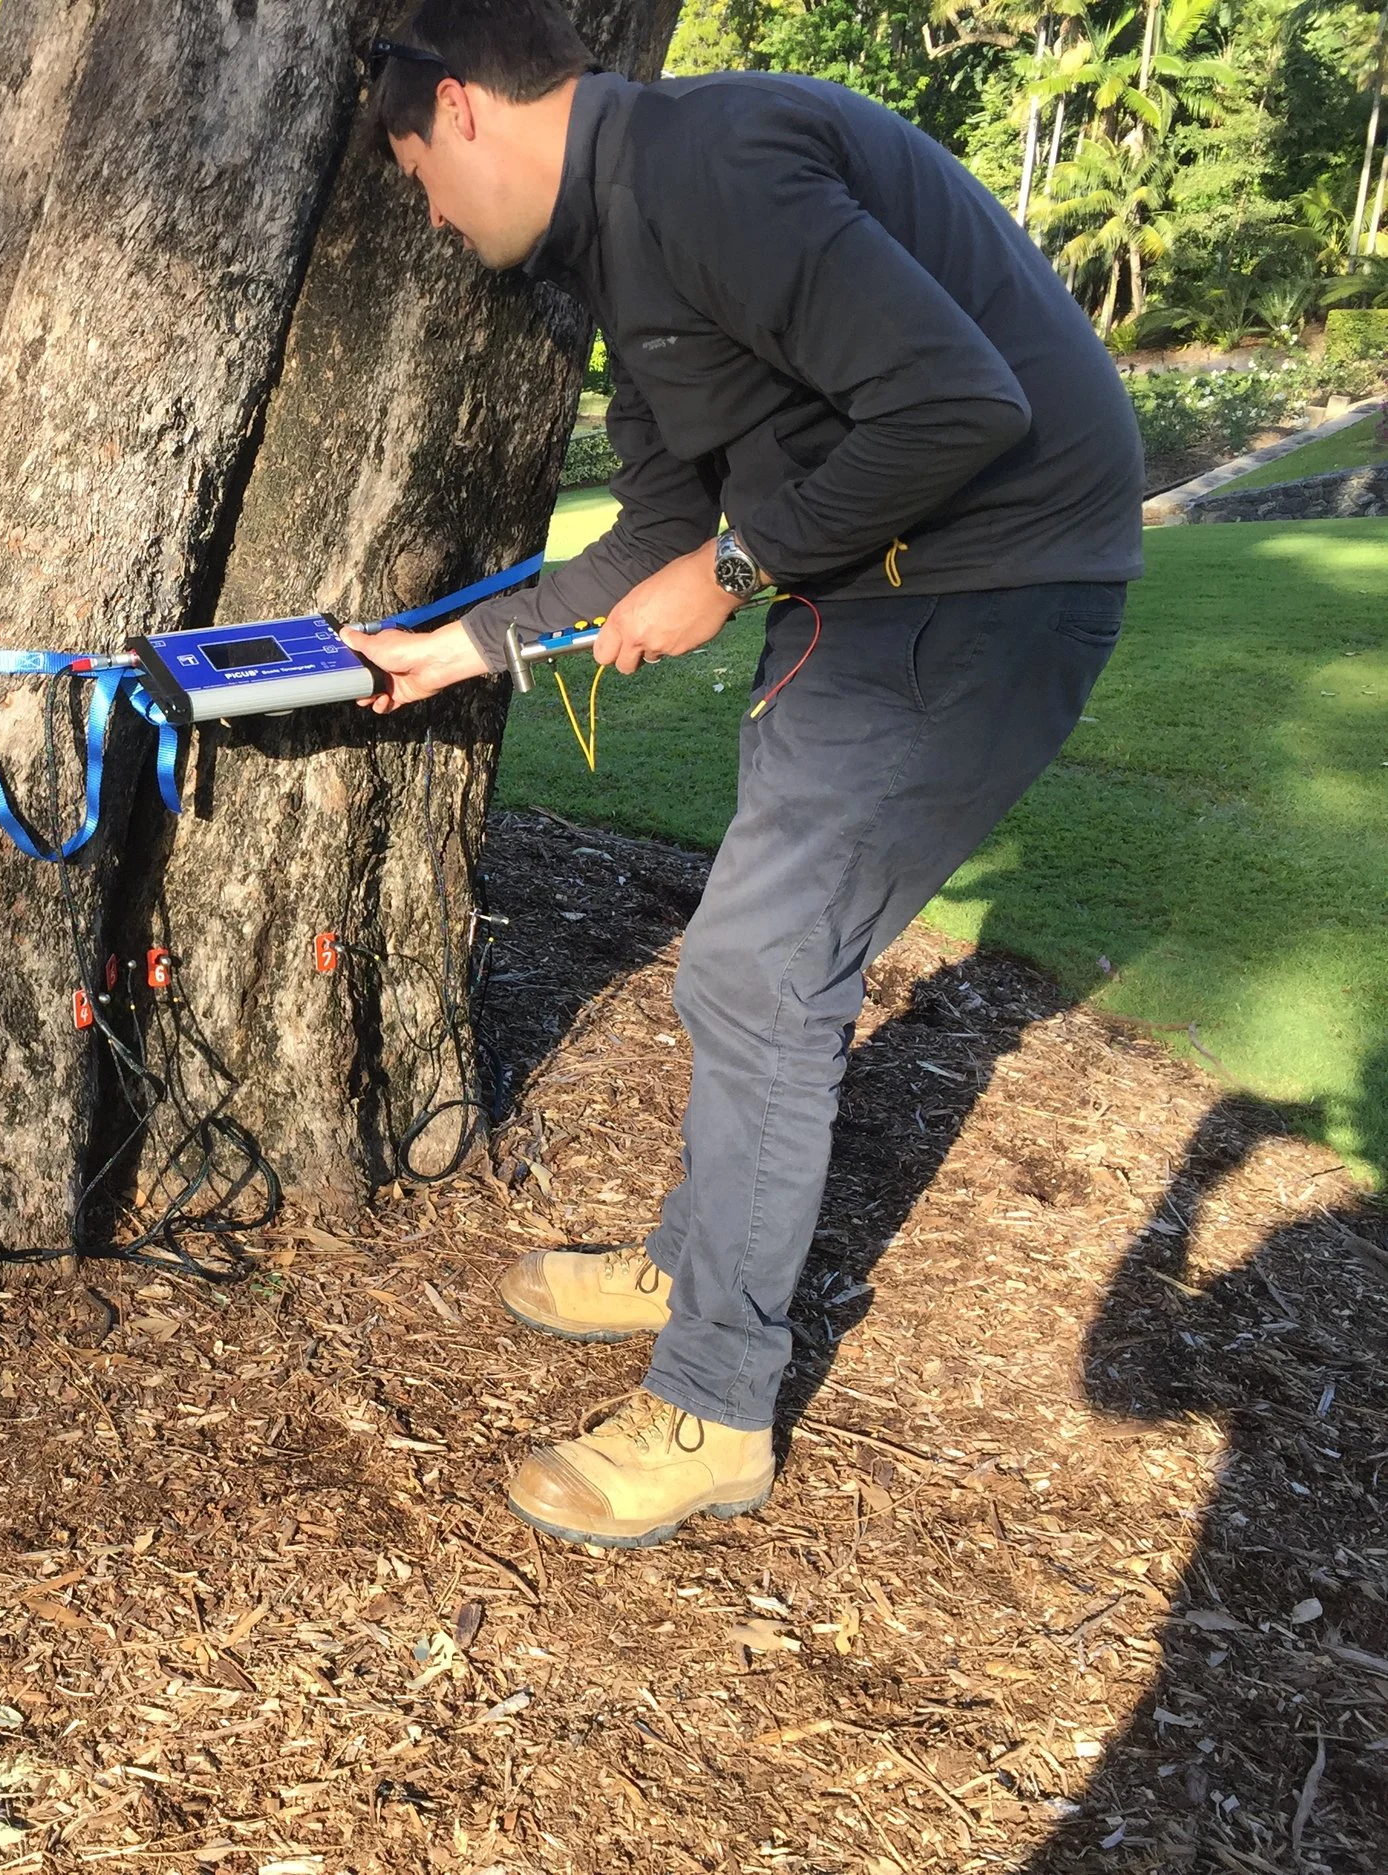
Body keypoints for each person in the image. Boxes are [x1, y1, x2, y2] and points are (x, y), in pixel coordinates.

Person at [341, 0, 1143, 1549]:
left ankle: (711, 1402)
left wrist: (742, 561)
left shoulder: (707, 164)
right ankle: (691, 1253)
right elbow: (650, 531)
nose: (433, 219)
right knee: (745, 969)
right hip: (885, 589)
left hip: (987, 587)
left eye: (418, 177)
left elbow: (963, 401)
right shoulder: (618, 243)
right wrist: (465, 651)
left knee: (765, 973)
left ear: (465, 108)